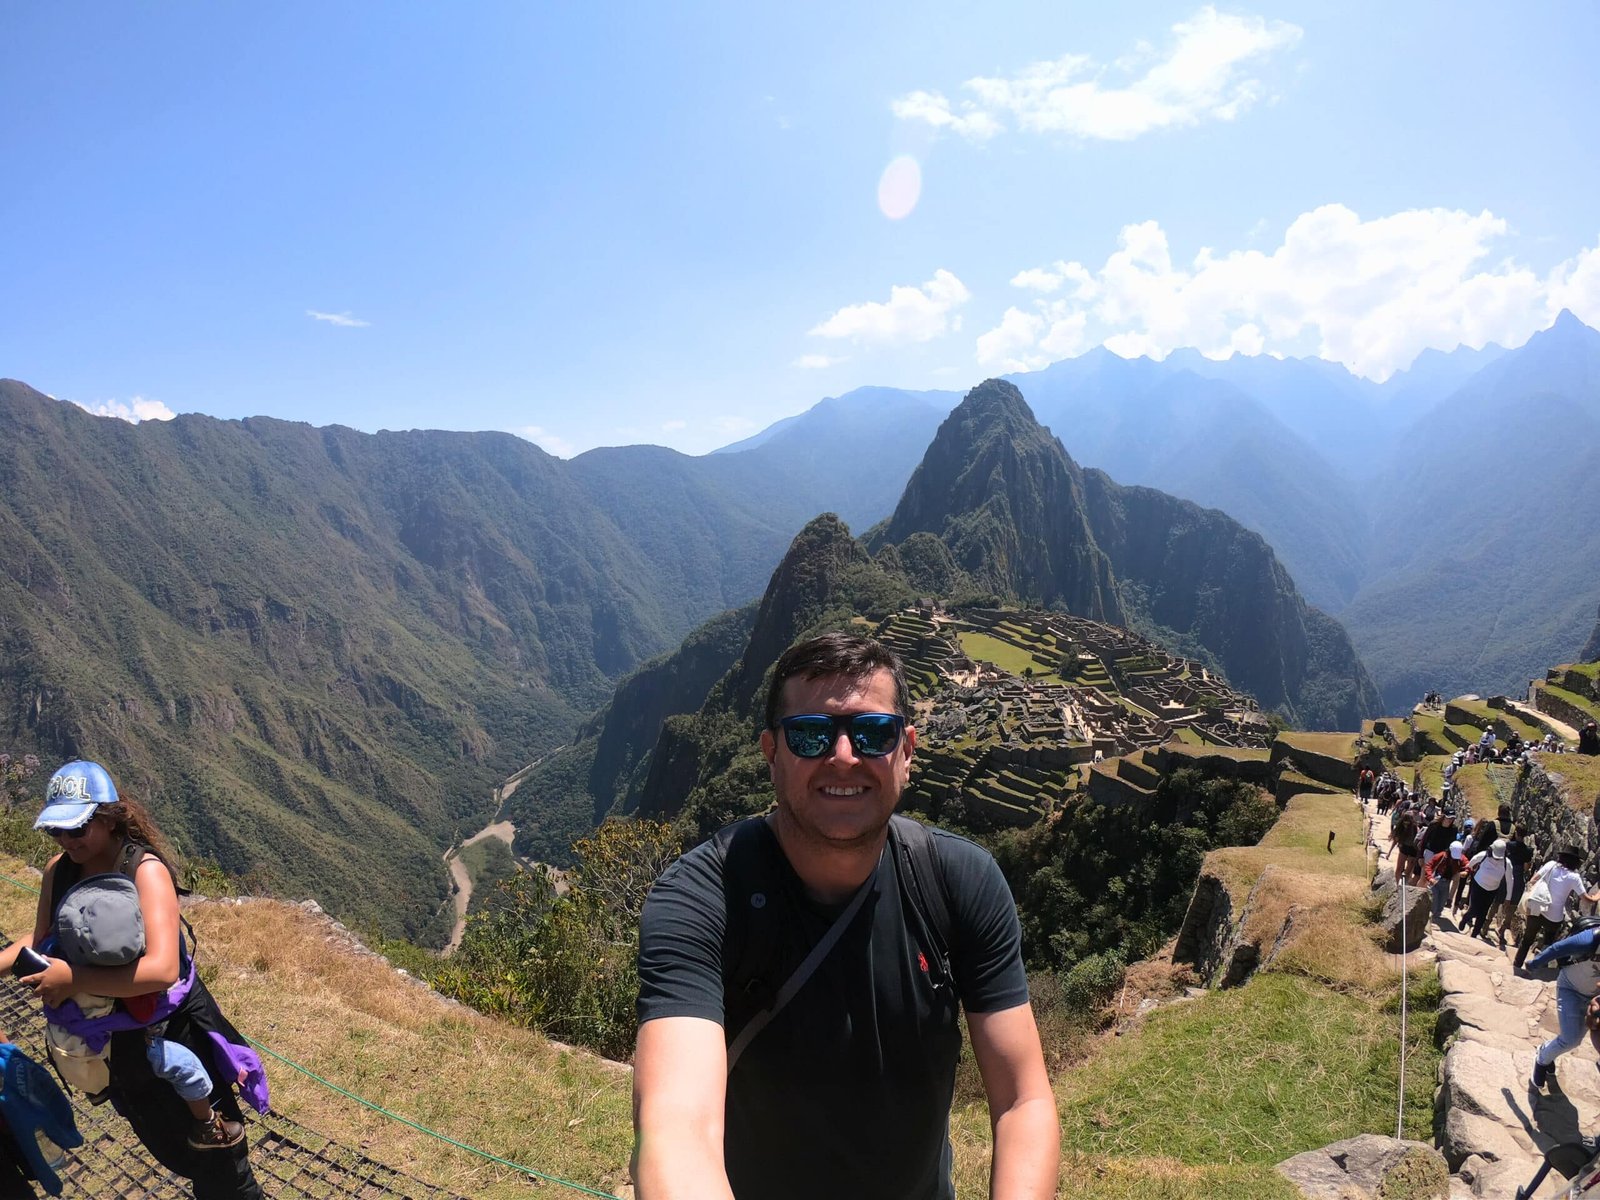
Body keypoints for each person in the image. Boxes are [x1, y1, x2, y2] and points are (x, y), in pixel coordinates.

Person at [633, 633, 1060, 1200]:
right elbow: (676, 1131)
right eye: (810, 735)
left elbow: (1022, 1100)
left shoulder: (960, 883)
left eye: (872, 733)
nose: (842, 755)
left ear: (906, 750)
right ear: (771, 753)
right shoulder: (703, 899)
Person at [0, 761, 268, 1199]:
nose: (68, 841)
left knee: (220, 1159)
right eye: (57, 832)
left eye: (78, 829)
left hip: (172, 1033)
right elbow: (45, 937)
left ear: (108, 818)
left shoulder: (144, 871)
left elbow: (162, 970)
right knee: (170, 1144)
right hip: (116, 1047)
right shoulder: (60, 869)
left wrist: (74, 978)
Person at [1529, 918, 1600, 1091]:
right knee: (1571, 1039)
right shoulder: (1591, 939)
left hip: (1595, 997)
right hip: (1570, 988)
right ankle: (1542, 1057)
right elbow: (1558, 948)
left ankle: (1549, 1055)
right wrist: (1535, 963)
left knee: (1574, 1039)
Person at [1515, 845, 1600, 972]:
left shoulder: (1551, 865)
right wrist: (1597, 896)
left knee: (1528, 938)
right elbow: (1586, 899)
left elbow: (1533, 880)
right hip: (1554, 917)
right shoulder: (1574, 877)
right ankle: (1538, 967)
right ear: (1576, 862)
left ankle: (1517, 964)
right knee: (1548, 942)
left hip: (1538, 908)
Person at [1462, 838, 1510, 940]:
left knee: (1483, 913)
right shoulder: (1484, 855)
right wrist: (1467, 868)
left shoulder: (1507, 863)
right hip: (1478, 885)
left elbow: (1510, 880)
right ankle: (1466, 918)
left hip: (1492, 890)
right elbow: (1474, 860)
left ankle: (1474, 935)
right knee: (1474, 909)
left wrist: (1508, 897)